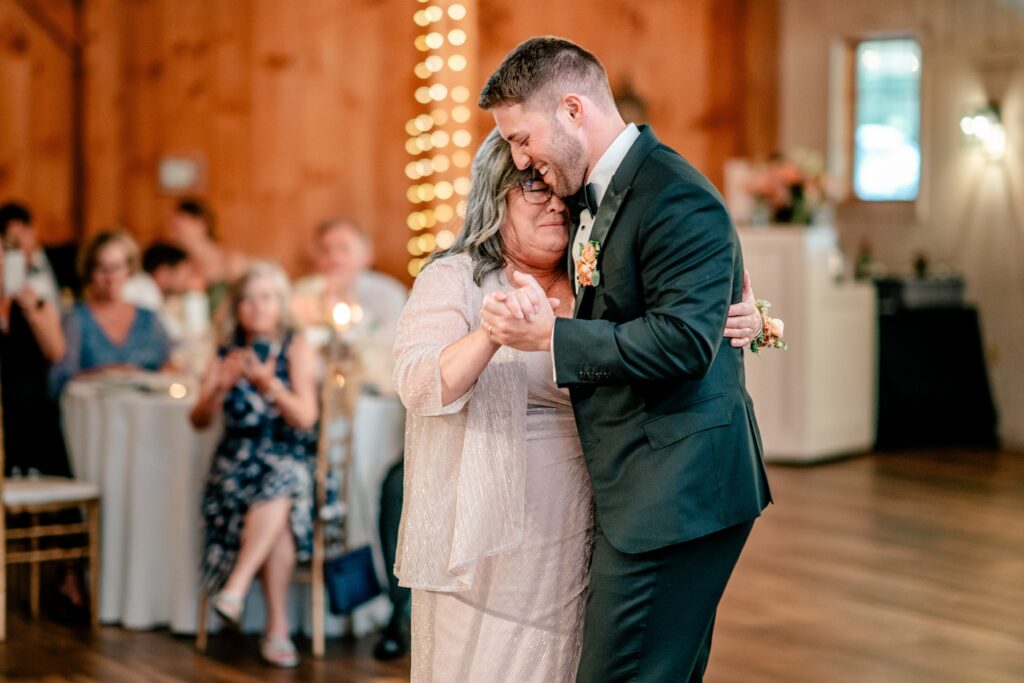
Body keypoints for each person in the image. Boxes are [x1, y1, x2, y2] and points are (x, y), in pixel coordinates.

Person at [392, 129, 763, 682]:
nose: (554, 204)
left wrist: (752, 322)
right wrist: (492, 333)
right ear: (495, 196)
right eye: (532, 188)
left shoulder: (594, 277)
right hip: (490, 537)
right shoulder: (456, 278)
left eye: (561, 191)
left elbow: (667, 337)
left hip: (590, 518)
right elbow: (418, 382)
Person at [477, 37, 772, 682]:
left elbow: (684, 341)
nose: (521, 161)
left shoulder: (673, 194)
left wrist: (552, 340)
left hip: (676, 489)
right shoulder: (596, 192)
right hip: (642, 484)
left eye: (523, 139)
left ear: (574, 110)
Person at [189, 261, 318, 668]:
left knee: (282, 483)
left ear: (280, 304)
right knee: (279, 503)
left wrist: (269, 385)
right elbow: (199, 421)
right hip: (236, 467)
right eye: (247, 299)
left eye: (265, 298)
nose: (256, 307)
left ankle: (236, 587)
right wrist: (217, 387)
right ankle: (276, 629)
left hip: (287, 455)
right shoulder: (225, 349)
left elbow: (306, 417)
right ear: (237, 307)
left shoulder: (297, 345)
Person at [292, 218, 407, 395]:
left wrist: (356, 314)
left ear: (367, 254)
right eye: (325, 250)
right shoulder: (301, 293)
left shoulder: (388, 294)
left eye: (343, 249)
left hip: (377, 396)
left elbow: (394, 351)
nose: (334, 258)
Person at [50, 229, 172, 395]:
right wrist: (108, 373)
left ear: (129, 268)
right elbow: (60, 380)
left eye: (117, 267)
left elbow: (168, 366)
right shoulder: (76, 318)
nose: (110, 277)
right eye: (102, 268)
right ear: (90, 272)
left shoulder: (148, 318)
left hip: (145, 413)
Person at [166, 198, 247, 315]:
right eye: (172, 229)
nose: (172, 236)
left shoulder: (231, 261)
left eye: (178, 229)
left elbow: (242, 302)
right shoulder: (182, 267)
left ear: (201, 224)